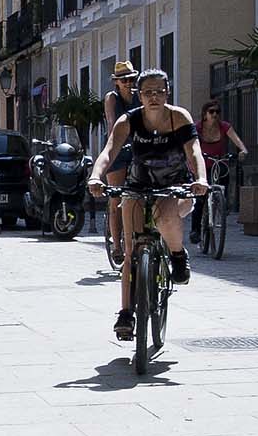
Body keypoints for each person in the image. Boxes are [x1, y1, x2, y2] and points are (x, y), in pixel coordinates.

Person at [89, 68, 207, 341]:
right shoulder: (128, 120)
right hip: (138, 185)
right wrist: (96, 176)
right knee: (131, 251)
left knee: (166, 215)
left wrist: (200, 178)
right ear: (138, 95)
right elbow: (109, 152)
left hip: (175, 186)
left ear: (168, 92)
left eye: (159, 91)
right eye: (147, 92)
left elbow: (194, 151)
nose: (154, 97)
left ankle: (177, 255)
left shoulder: (179, 117)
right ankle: (126, 313)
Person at [99, 61, 143, 262]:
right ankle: (117, 246)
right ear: (117, 82)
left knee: (140, 194)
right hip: (116, 148)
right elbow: (111, 123)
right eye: (124, 80)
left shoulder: (139, 98)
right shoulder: (112, 98)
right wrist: (114, 147)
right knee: (116, 198)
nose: (128, 83)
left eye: (131, 79)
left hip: (136, 148)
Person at [190, 100, 250, 241]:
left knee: (224, 179)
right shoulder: (197, 128)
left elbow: (237, 141)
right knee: (200, 198)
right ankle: (195, 230)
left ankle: (222, 203)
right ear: (205, 114)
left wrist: (243, 150)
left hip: (218, 162)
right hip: (203, 164)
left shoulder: (224, 127)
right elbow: (190, 144)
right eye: (211, 112)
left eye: (217, 112)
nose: (215, 114)